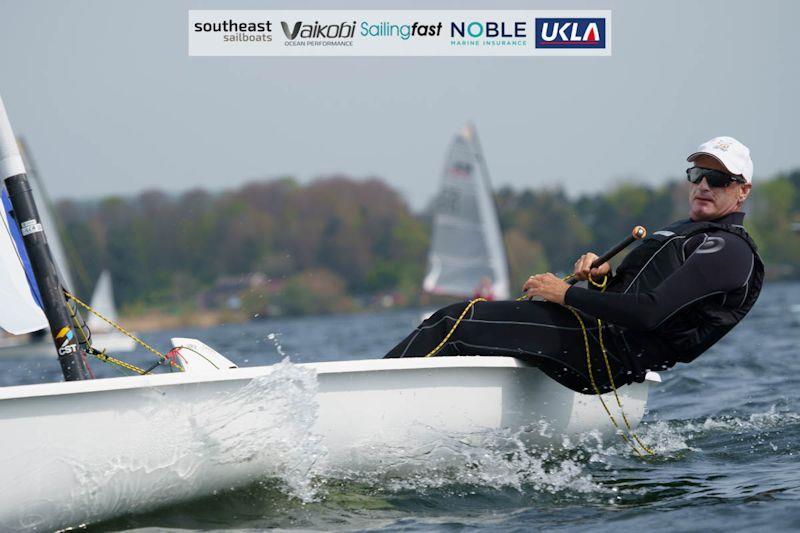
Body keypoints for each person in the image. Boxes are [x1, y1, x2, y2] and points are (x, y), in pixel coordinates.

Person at [385, 136, 764, 394]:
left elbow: (651, 313)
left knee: (453, 321)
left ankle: (372, 394)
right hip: (598, 340)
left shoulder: (729, 251)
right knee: (463, 328)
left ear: (742, 190)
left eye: (716, 178)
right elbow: (638, 294)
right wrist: (602, 280)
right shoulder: (688, 232)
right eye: (696, 175)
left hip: (606, 353)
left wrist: (565, 294)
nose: (702, 185)